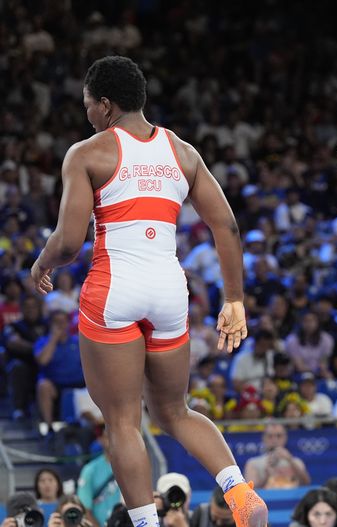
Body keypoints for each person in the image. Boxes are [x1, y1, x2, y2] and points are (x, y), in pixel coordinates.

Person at [29, 56, 266, 527]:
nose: (87, 116)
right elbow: (227, 227)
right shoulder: (183, 153)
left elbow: (70, 241)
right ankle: (238, 491)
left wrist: (41, 262)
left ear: (105, 105)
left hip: (113, 289)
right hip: (168, 292)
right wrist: (234, 298)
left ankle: (145, 524)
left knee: (121, 422)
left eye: (88, 107)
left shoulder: (87, 152)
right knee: (175, 410)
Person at [243, 423, 311, 489]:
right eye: (270, 436)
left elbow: (306, 483)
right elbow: (250, 491)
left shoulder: (296, 461)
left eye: (279, 436)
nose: (275, 440)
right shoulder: (253, 463)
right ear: (264, 438)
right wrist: (266, 475)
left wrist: (290, 461)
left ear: (285, 438)